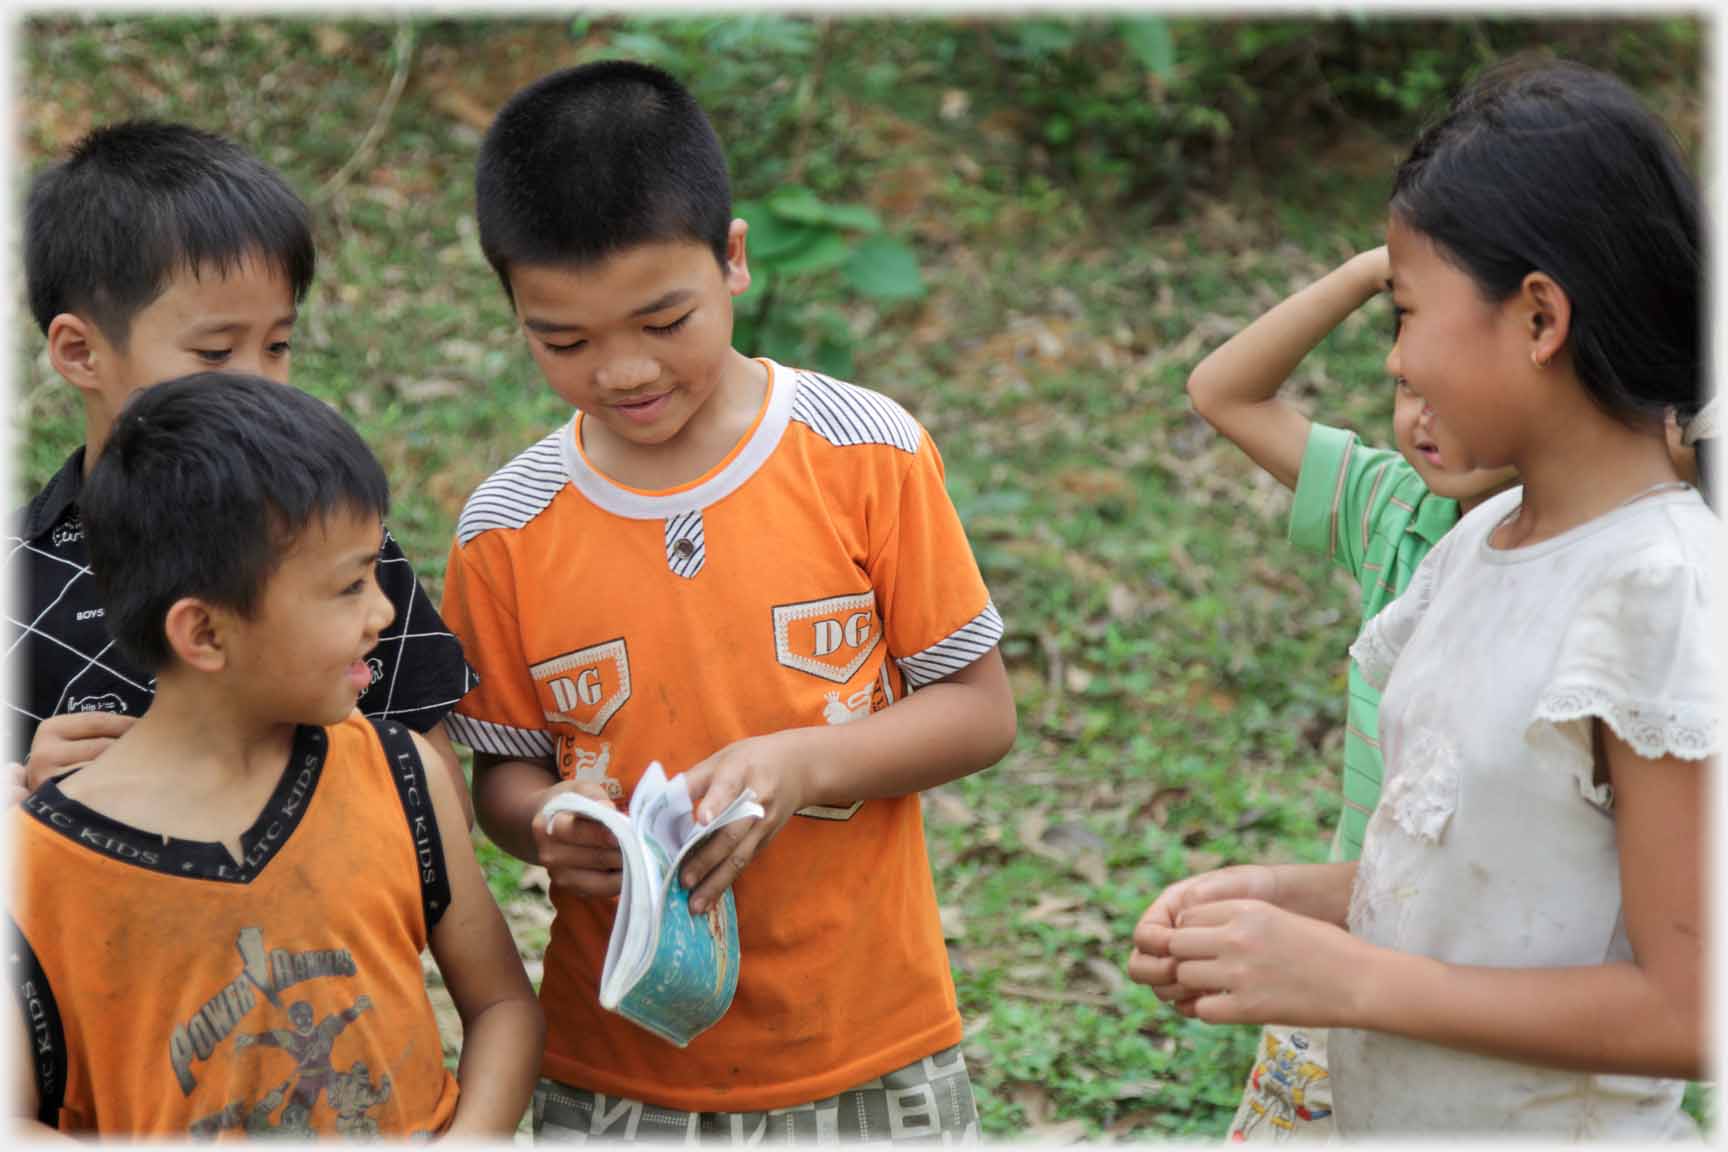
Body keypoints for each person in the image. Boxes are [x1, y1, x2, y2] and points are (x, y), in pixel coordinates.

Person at [1130, 60, 1712, 1138]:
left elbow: (1693, 1009)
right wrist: (1279, 898)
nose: (1398, 361)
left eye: (1405, 316)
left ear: (1539, 319)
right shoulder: (1486, 541)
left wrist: (1347, 981)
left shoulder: (1661, 591)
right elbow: (1483, 879)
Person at [441, 60, 1017, 1142]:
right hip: (620, 1063)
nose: (621, 371)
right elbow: (504, 775)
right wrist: (547, 826)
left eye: (664, 320)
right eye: (563, 340)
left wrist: (805, 764)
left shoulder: (864, 454)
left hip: (865, 1039)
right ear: (515, 311)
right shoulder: (506, 529)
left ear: (735, 260)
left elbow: (981, 710)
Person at [6, 374, 544, 1138]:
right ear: (206, 634)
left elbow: (502, 1007)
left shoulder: (397, 777)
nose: (385, 611)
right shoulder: (40, 871)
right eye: (350, 586)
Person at [10, 120, 474, 816]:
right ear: (80, 353)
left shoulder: (337, 548)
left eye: (279, 345)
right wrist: (35, 799)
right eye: (216, 352)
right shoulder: (23, 582)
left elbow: (443, 807)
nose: (257, 382)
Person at [1182, 227, 1518, 1142]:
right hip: (1347, 928)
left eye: (1450, 387)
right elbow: (1221, 389)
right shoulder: (1391, 512)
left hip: (1498, 967)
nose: (1424, 417)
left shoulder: (1592, 553)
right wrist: (1386, 274)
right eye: (1407, 387)